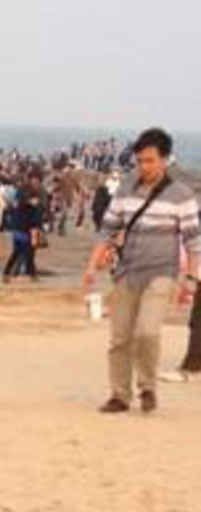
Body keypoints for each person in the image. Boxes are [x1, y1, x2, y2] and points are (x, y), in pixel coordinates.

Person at [84, 127, 200, 414]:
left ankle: (147, 387)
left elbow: (193, 242)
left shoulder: (181, 195)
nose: (144, 167)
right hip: (127, 272)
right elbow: (107, 230)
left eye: (150, 160)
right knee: (120, 338)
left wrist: (190, 280)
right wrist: (92, 265)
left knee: (147, 332)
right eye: (139, 161)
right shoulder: (126, 189)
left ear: (165, 159)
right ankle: (120, 395)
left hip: (162, 273)